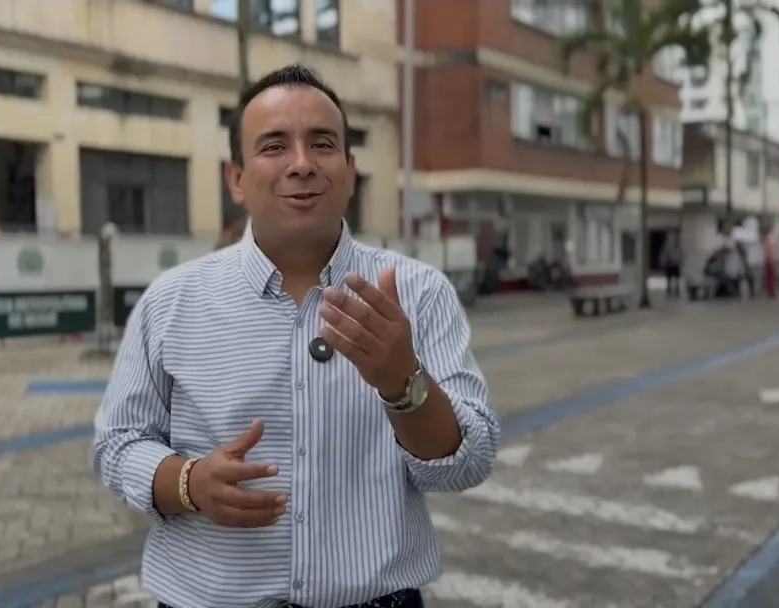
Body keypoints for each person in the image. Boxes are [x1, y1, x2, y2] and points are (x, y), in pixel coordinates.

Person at [92, 65, 499, 608]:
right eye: (274, 146)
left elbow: (468, 463)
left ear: (350, 172)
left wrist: (404, 384)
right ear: (236, 179)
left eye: (323, 144)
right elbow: (118, 443)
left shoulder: (418, 293)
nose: (302, 164)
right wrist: (187, 483)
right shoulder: (172, 302)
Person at [659, 230, 683, 298]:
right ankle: (669, 291)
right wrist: (663, 261)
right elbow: (664, 254)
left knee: (677, 279)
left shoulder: (678, 245)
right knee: (669, 279)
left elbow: (680, 254)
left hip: (676, 264)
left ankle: (676, 291)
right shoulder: (667, 245)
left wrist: (680, 261)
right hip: (670, 264)